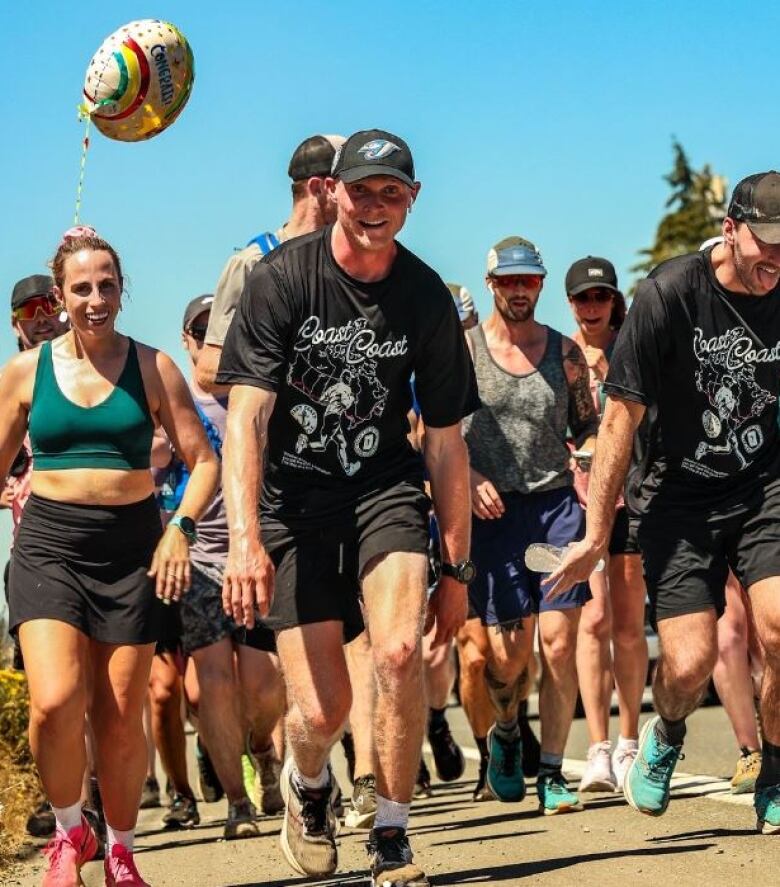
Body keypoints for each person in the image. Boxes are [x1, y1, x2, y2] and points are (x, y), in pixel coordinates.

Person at [217, 128, 479, 886]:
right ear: (331, 190)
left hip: (382, 489)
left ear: (413, 200)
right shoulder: (283, 278)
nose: (374, 206)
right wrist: (243, 540)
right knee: (324, 709)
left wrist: (456, 567)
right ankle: (309, 783)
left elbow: (445, 441)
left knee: (398, 654)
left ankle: (393, 835)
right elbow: (247, 418)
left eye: (390, 192)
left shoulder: (425, 295)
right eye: (360, 189)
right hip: (293, 501)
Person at [547, 171, 780, 834]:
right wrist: (596, 535)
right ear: (730, 229)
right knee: (686, 661)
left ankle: (775, 768)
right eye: (766, 243)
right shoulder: (668, 295)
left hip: (763, 483)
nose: (776, 260)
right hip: (676, 495)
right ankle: (669, 728)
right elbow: (618, 420)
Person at [2, 232, 219, 885]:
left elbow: (203, 460)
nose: (95, 299)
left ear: (122, 290)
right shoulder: (24, 372)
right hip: (48, 545)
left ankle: (121, 848)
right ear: (60, 296)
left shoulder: (153, 367)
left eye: (107, 286)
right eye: (81, 287)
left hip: (131, 550)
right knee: (56, 701)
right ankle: (73, 830)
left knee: (121, 711)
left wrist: (178, 525)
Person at [461, 236, 598, 815]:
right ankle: (510, 731)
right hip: (491, 518)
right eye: (510, 281)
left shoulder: (565, 353)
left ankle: (553, 772)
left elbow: (590, 426)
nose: (520, 291)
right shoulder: (462, 350)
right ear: (491, 285)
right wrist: (466, 478)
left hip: (553, 510)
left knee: (561, 643)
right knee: (508, 657)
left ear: (540, 285)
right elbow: (428, 432)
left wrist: (588, 456)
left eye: (530, 281)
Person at [177, 293, 286, 837]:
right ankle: (238, 805)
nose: (214, 338)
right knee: (213, 683)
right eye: (204, 330)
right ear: (188, 340)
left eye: (224, 327)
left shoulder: (259, 393)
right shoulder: (177, 402)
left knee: (266, 687)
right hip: (200, 561)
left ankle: (263, 745)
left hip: (258, 552)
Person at [564, 256, 648, 792]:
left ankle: (630, 741)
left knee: (627, 621)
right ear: (571, 303)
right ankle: (596, 748)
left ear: (615, 300)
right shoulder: (561, 353)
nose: (592, 307)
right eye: (583, 298)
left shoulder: (632, 347)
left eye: (601, 297)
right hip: (578, 500)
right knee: (591, 622)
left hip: (632, 497)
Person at [196, 134, 345, 392]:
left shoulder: (353, 266)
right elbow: (208, 370)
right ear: (318, 188)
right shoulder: (252, 263)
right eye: (347, 186)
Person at [3, 273, 70, 839]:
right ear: (16, 324)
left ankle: (92, 801)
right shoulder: (10, 382)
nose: (42, 316)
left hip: (101, 546)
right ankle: (64, 800)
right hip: (32, 554)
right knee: (49, 695)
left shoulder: (98, 367)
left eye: (50, 305)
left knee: (96, 691)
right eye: (30, 311)